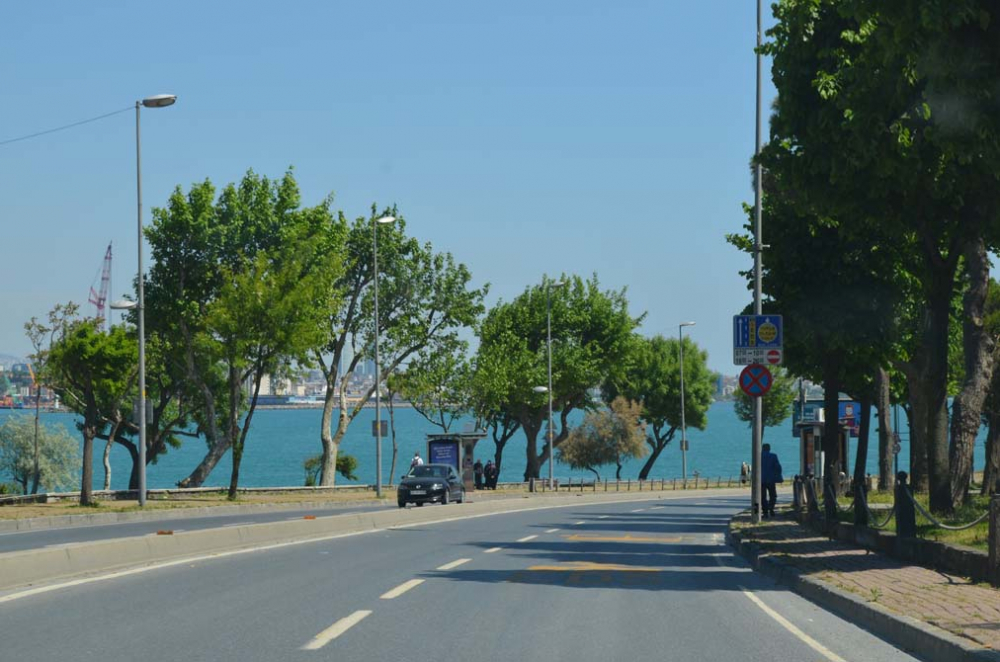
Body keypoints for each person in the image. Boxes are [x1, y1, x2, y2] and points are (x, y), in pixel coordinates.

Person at [761, 443, 783, 517]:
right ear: (769, 449)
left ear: (762, 448)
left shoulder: (758, 456)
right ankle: (771, 508)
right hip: (771, 479)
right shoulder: (773, 456)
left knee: (762, 497)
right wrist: (778, 476)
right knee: (773, 495)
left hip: (761, 480)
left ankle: (765, 512)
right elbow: (778, 467)